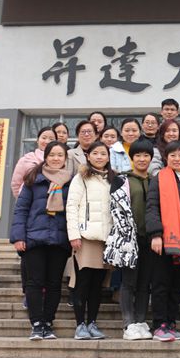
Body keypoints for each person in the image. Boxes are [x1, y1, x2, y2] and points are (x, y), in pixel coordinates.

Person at [10, 141, 72, 340]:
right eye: (52, 155)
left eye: (60, 155)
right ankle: (37, 323)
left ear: (65, 159)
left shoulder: (71, 182)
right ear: (45, 157)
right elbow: (21, 210)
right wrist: (18, 237)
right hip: (34, 239)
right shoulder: (33, 180)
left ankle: (48, 322)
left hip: (59, 240)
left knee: (54, 284)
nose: (56, 158)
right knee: (34, 283)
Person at [146, 141, 180, 341]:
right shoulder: (159, 178)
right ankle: (160, 325)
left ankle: (171, 323)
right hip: (164, 241)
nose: (177, 159)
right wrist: (156, 234)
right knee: (161, 284)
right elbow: (152, 207)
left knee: (176, 286)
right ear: (166, 158)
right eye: (173, 155)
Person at [66, 141, 114, 340]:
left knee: (97, 285)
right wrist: (74, 235)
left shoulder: (113, 179)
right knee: (83, 283)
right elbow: (72, 206)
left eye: (103, 153)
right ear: (88, 156)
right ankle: (80, 325)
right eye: (95, 153)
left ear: (108, 157)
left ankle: (92, 323)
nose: (99, 157)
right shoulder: (81, 178)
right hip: (85, 238)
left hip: (106, 239)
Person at [118, 139, 157, 341]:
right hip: (129, 239)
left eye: (146, 155)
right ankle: (128, 323)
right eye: (138, 155)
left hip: (150, 239)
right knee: (129, 281)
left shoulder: (155, 180)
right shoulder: (122, 180)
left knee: (145, 282)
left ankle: (141, 321)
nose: (142, 159)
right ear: (132, 158)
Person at [11, 127, 56, 198]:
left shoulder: (59, 160)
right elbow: (16, 184)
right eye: (44, 138)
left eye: (51, 139)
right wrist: (23, 199)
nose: (47, 141)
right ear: (37, 140)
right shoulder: (26, 159)